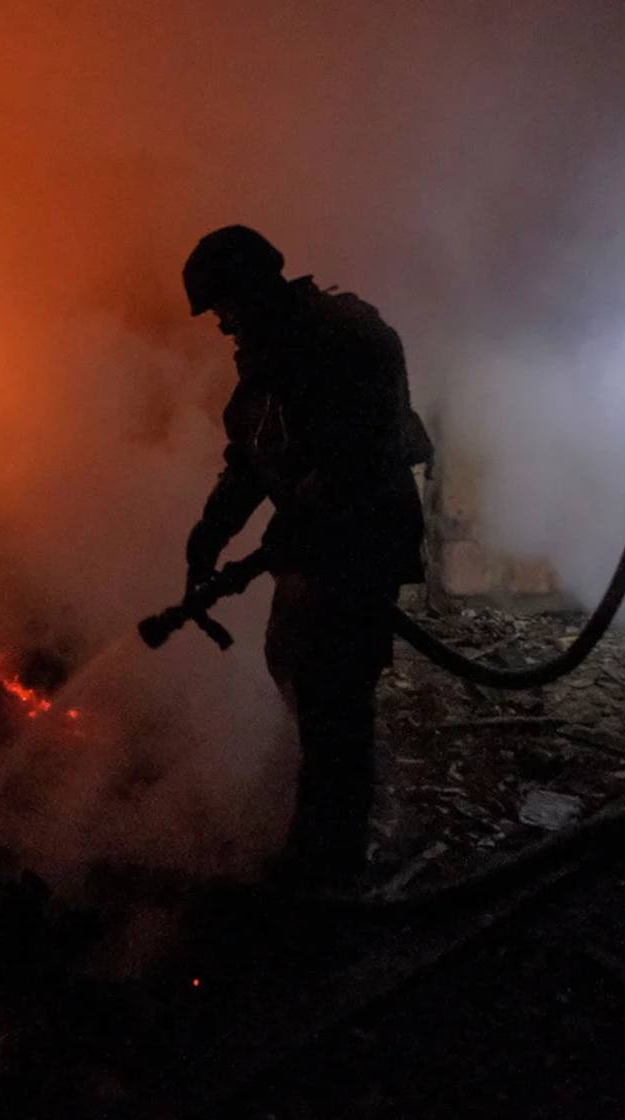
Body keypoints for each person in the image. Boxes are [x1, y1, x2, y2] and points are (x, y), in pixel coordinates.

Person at [179, 224, 433, 884]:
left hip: (362, 545)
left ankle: (332, 858)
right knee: (292, 664)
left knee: (334, 690)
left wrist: (304, 523)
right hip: (313, 547)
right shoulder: (272, 351)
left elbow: (362, 454)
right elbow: (255, 457)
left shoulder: (347, 338)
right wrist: (210, 533)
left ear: (253, 288)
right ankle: (317, 808)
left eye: (223, 308)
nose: (221, 327)